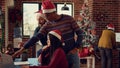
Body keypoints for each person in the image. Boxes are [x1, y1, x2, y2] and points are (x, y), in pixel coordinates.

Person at [12, 0, 83, 68]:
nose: (46, 18)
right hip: (58, 56)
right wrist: (21, 50)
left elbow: (80, 33)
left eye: (47, 15)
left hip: (71, 54)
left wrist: (76, 47)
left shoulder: (69, 19)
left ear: (53, 12)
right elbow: (36, 37)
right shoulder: (47, 25)